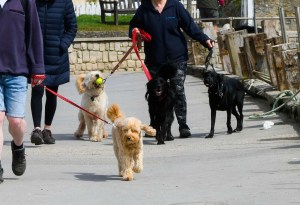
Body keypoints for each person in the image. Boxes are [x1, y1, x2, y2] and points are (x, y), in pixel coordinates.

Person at [129, 0, 214, 138]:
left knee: (178, 90)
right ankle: (155, 126)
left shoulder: (175, 6)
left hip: (177, 58)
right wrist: (134, 31)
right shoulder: (144, 8)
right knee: (155, 93)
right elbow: (133, 26)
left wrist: (204, 39)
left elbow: (190, 26)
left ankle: (183, 125)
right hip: (155, 60)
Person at [0, 0, 45, 183]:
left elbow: (34, 33)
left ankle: (18, 147)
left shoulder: (25, 1)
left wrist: (38, 67)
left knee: (16, 122)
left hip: (17, 71)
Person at [30, 0, 77, 145]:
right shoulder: (32, 2)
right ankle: (37, 129)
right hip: (37, 55)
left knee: (52, 93)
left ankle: (47, 129)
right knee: (37, 91)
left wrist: (62, 45)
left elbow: (72, 27)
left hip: (56, 56)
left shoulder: (65, 2)